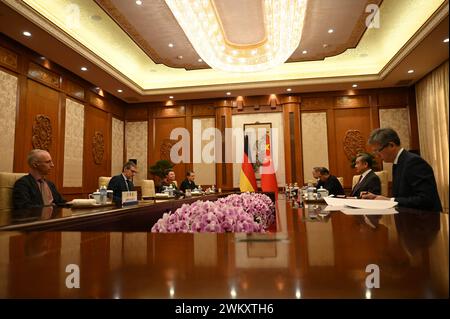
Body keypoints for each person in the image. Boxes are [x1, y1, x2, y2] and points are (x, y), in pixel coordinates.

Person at [361, 128, 442, 212]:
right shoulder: (398, 162)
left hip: (425, 221)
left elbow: (426, 199)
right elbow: (403, 196)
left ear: (391, 145)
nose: (376, 155)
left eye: (377, 151)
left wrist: (389, 201)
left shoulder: (413, 162)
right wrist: (381, 198)